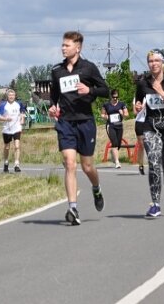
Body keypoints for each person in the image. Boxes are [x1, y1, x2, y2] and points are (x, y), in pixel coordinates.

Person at [48, 30, 109, 225]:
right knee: (69, 162)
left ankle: (96, 188)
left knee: (87, 166)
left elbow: (105, 90)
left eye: (67, 45)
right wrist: (52, 106)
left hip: (85, 122)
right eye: (62, 45)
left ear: (78, 47)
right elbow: (54, 95)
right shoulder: (57, 70)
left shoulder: (88, 68)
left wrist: (89, 90)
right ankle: (72, 208)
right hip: (65, 122)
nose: (63, 48)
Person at [134, 49, 164, 218]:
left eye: (156, 60)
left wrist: (161, 91)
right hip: (151, 127)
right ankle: (155, 204)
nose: (154, 64)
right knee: (154, 164)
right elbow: (138, 101)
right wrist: (138, 107)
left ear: (163, 63)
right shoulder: (143, 83)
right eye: (150, 61)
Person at [0, 89, 25, 173]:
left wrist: (22, 119)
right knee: (7, 147)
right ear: (7, 96)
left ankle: (17, 164)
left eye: (12, 95)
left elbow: (22, 112)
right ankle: (6, 162)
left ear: (15, 96)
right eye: (9, 95)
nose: (11, 97)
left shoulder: (18, 104)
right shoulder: (3, 105)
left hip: (17, 128)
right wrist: (6, 118)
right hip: (7, 129)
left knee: (17, 146)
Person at [101, 89, 129, 168]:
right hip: (111, 125)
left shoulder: (121, 104)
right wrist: (106, 117)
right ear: (111, 96)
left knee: (119, 144)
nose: (115, 98)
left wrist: (122, 113)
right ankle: (117, 162)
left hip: (119, 125)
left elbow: (127, 115)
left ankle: (113, 153)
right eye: (114, 97)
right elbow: (102, 114)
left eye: (117, 97)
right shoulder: (106, 105)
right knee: (114, 143)